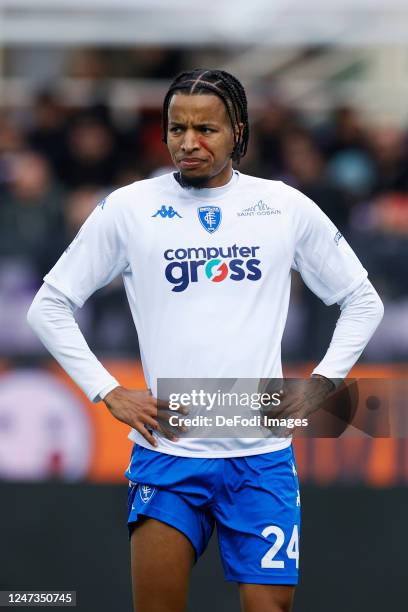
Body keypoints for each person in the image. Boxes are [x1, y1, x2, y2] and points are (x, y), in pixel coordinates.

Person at [27, 69, 384, 612]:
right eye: (176, 128)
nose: (188, 142)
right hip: (168, 454)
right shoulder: (131, 208)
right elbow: (48, 306)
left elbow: (363, 301)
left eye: (206, 129)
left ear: (237, 131)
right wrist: (108, 391)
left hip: (261, 454)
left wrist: (322, 383)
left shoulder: (283, 207)